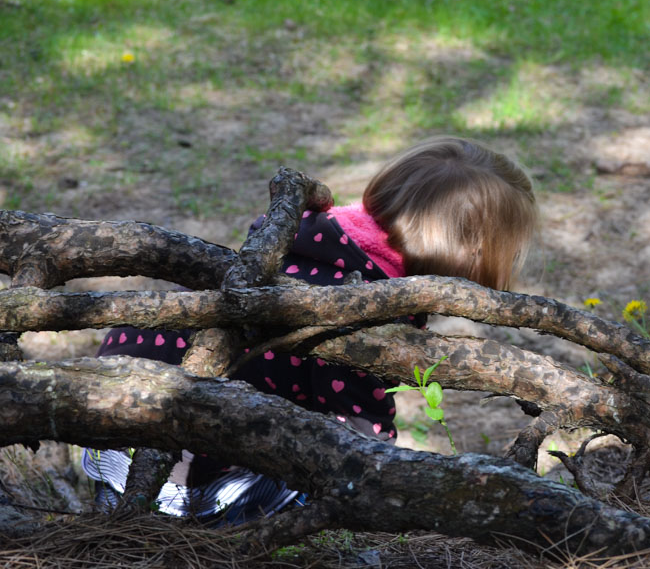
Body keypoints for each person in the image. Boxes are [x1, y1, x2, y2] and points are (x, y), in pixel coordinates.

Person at [82, 136, 537, 523]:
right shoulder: (367, 303)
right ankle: (192, 522)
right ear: (472, 254)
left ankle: (126, 503)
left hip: (111, 413)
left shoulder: (302, 230)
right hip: (197, 464)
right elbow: (354, 425)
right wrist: (383, 475)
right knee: (319, 475)